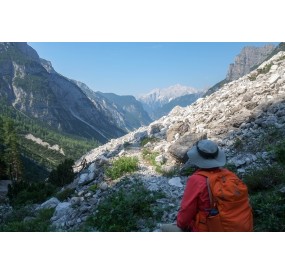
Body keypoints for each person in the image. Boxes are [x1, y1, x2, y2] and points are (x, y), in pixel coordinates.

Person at [161, 139, 252, 232]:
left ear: (197, 158)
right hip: (241, 226)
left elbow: (185, 214)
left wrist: (181, 224)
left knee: (164, 228)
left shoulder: (196, 180)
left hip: (211, 228)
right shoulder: (229, 174)